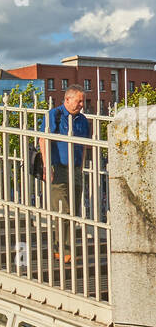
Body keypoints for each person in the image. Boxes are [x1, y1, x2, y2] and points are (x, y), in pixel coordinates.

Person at [39, 84, 91, 261]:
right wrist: (46, 165)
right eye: (79, 101)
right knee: (63, 210)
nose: (81, 104)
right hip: (58, 168)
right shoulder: (55, 114)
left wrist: (81, 167)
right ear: (67, 100)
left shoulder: (83, 120)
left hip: (75, 168)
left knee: (73, 212)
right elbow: (44, 139)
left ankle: (65, 250)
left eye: (83, 101)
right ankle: (63, 250)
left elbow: (84, 145)